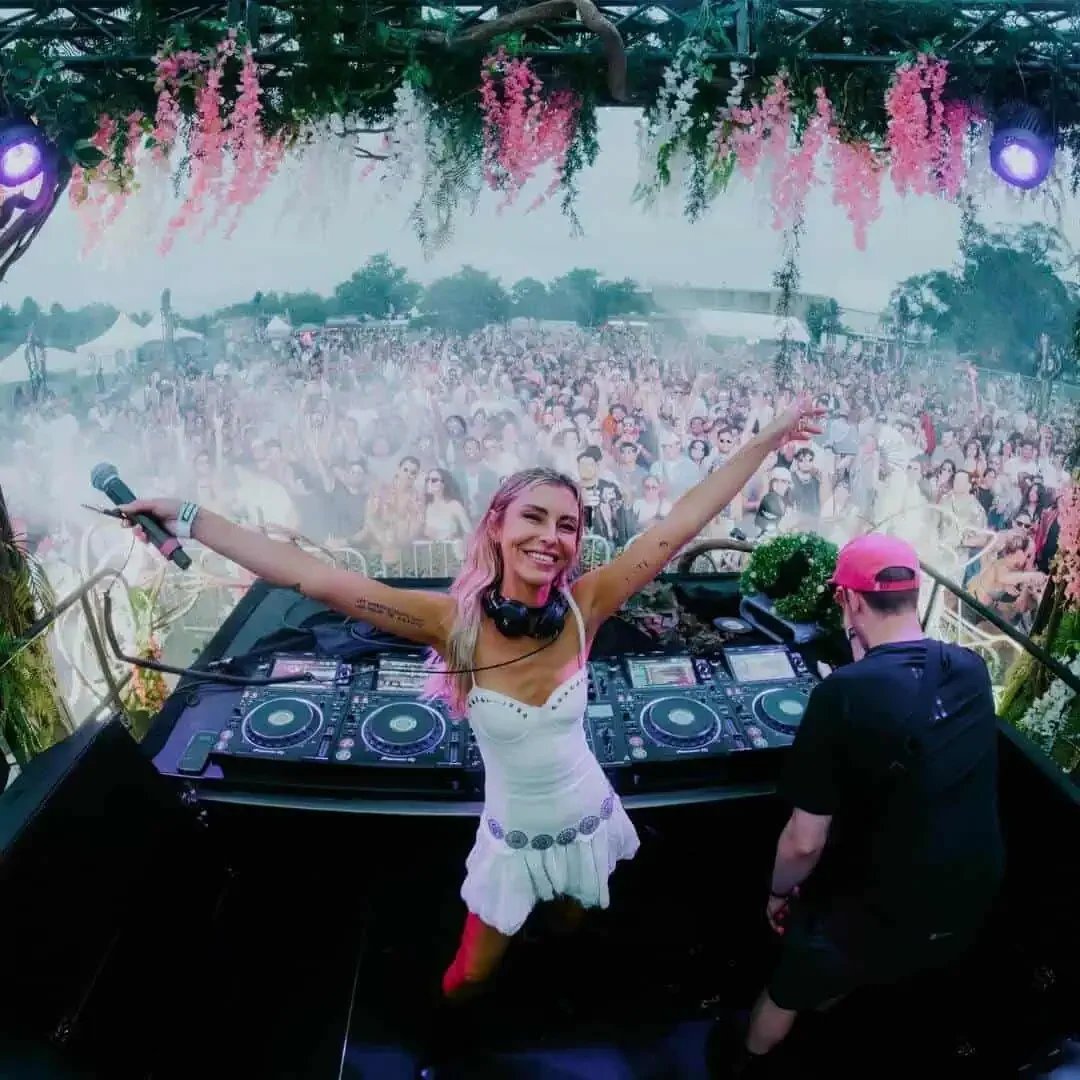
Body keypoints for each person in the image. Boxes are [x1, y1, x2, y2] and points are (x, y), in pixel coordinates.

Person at [118, 397, 822, 1003]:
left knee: (576, 925)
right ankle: (451, 1038)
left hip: (587, 814)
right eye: (534, 518)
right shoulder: (450, 626)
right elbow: (313, 580)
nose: (551, 537)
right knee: (469, 979)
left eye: (567, 525)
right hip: (512, 839)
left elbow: (680, 526)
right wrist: (189, 515)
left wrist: (766, 439)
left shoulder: (588, 605)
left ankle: (554, 986)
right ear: (496, 525)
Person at [710, 534, 1004, 1077]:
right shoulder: (970, 669)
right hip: (969, 895)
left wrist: (776, 893)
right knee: (860, 963)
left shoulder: (843, 693)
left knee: (786, 990)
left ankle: (744, 1058)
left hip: (880, 907)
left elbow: (804, 841)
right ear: (915, 595)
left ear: (847, 600)